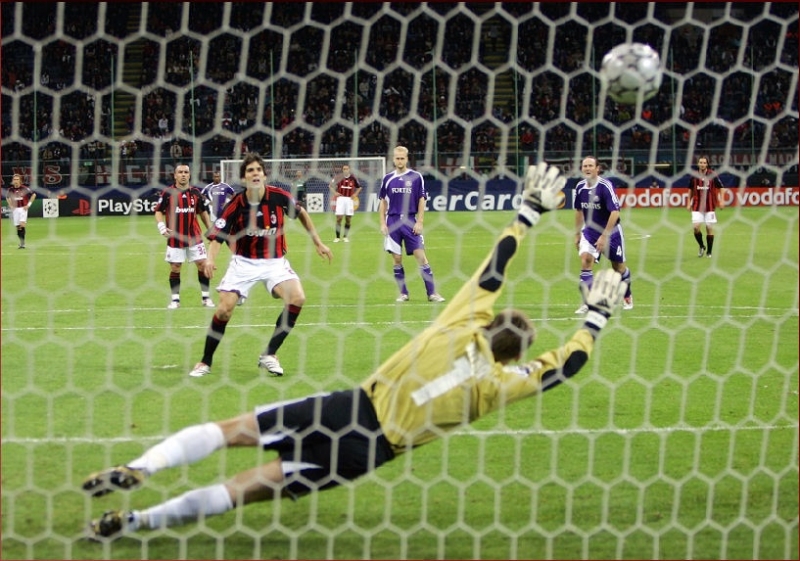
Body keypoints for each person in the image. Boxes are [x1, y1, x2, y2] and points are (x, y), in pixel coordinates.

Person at [82, 162, 628, 541]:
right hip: (369, 453)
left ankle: (142, 465)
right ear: (512, 358)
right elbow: (564, 367)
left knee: (232, 431)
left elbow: (494, 268)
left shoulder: (459, 326)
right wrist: (596, 319)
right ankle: (138, 523)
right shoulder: (499, 385)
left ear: (489, 321)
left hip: (351, 406)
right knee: (242, 489)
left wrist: (528, 211)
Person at [186, 152, 333, 379]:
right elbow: (217, 236)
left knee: (297, 298)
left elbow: (301, 213)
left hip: (274, 262)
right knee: (224, 310)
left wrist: (318, 242)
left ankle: (269, 354)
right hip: (244, 263)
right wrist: (211, 259)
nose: (255, 174)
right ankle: (205, 361)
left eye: (258, 170)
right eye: (250, 171)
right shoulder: (236, 203)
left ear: (264, 175)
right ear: (244, 178)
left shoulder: (279, 196)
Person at [378, 146, 445, 303]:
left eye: (402, 158)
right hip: (393, 221)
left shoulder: (416, 177)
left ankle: (432, 293)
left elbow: (422, 199)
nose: (400, 161)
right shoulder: (387, 179)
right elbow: (382, 202)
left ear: (407, 159)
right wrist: (382, 223)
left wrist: (420, 221)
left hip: (410, 220)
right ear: (393, 159)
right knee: (397, 259)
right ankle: (403, 293)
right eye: (397, 158)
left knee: (421, 256)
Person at [573, 155, 633, 314]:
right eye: (585, 166)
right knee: (586, 260)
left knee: (618, 267)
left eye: (590, 166)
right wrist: (577, 233)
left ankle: (627, 294)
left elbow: (615, 212)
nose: (587, 168)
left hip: (611, 232)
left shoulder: (605, 186)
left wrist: (605, 236)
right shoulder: (580, 187)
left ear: (597, 169)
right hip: (590, 232)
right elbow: (579, 210)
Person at [154, 163, 214, 309]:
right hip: (175, 237)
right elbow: (158, 210)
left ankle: (206, 298)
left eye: (186, 172)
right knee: (175, 267)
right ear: (175, 175)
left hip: (194, 236)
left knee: (202, 264)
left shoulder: (196, 193)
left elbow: (202, 212)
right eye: (180, 172)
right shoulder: (168, 193)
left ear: (189, 175)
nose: (183, 175)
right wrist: (161, 226)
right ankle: (175, 300)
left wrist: (211, 230)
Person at [687, 156, 725, 258]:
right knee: (696, 227)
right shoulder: (694, 176)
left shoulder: (712, 174)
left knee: (709, 228)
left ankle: (709, 252)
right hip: (697, 206)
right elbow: (690, 189)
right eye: (701, 162)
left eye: (704, 162)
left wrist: (722, 200)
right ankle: (701, 246)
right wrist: (688, 202)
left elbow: (721, 188)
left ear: (707, 164)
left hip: (710, 206)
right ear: (698, 164)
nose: (702, 164)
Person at [329, 164, 362, 243]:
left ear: (349, 170)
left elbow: (359, 187)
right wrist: (335, 193)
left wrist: (355, 194)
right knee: (339, 218)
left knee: (348, 219)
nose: (345, 170)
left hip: (349, 200)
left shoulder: (353, 178)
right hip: (340, 199)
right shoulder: (338, 177)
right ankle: (337, 237)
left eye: (347, 169)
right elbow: (330, 186)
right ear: (342, 170)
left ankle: (345, 237)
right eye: (344, 169)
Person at [4, 174, 36, 249]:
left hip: (23, 209)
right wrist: (11, 205)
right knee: (18, 227)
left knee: (22, 225)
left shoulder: (24, 188)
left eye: (17, 179)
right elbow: (7, 197)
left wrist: (28, 205)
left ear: (20, 181)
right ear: (12, 181)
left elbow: (33, 195)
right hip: (15, 209)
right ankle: (21, 242)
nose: (16, 181)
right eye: (14, 179)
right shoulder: (10, 189)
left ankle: (22, 243)